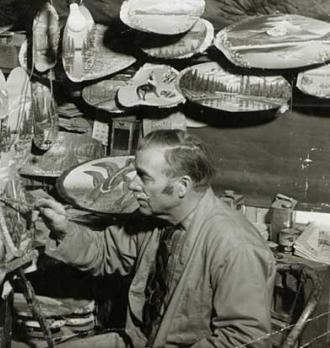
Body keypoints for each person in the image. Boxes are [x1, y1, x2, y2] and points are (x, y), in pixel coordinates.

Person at [35, 129, 276, 348]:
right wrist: (64, 228)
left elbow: (245, 340)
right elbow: (105, 252)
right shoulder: (155, 218)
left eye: (144, 177)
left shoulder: (235, 246)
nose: (131, 185)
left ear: (182, 186)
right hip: (143, 339)